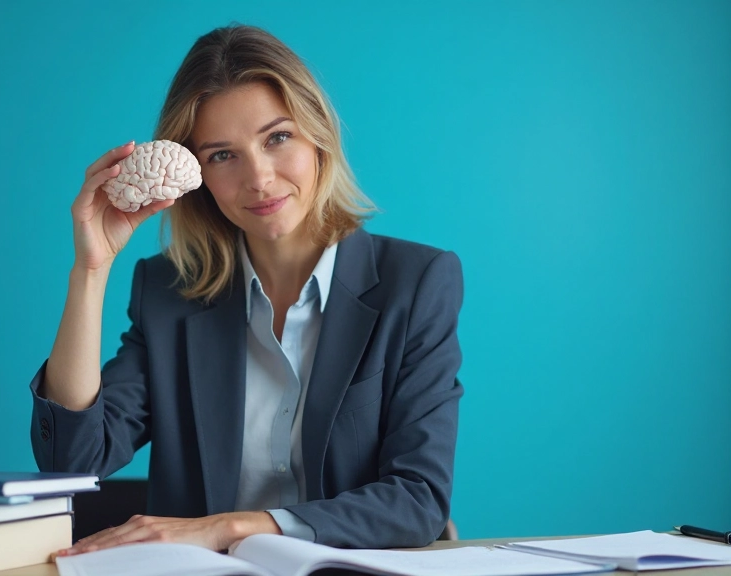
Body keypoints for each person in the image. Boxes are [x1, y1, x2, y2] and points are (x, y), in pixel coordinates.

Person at [30, 24, 463, 554]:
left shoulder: (415, 284)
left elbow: (418, 499)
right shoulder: (167, 292)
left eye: (277, 138)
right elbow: (72, 461)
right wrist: (90, 272)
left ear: (317, 136)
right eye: (221, 155)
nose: (258, 178)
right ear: (198, 177)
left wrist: (230, 526)